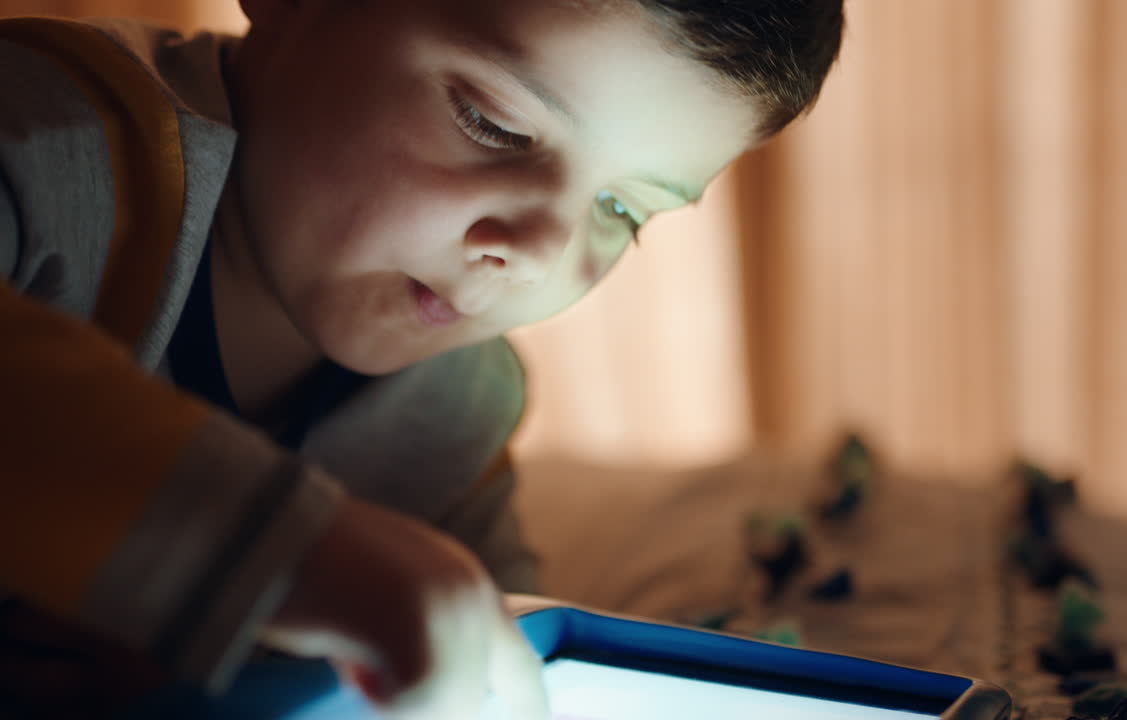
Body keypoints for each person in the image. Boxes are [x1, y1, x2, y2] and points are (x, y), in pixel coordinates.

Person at [0, 0, 844, 716]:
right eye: (495, 123)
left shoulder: (456, 408)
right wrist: (291, 551)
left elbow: (493, 648)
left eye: (622, 209)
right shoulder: (45, 135)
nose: (542, 254)